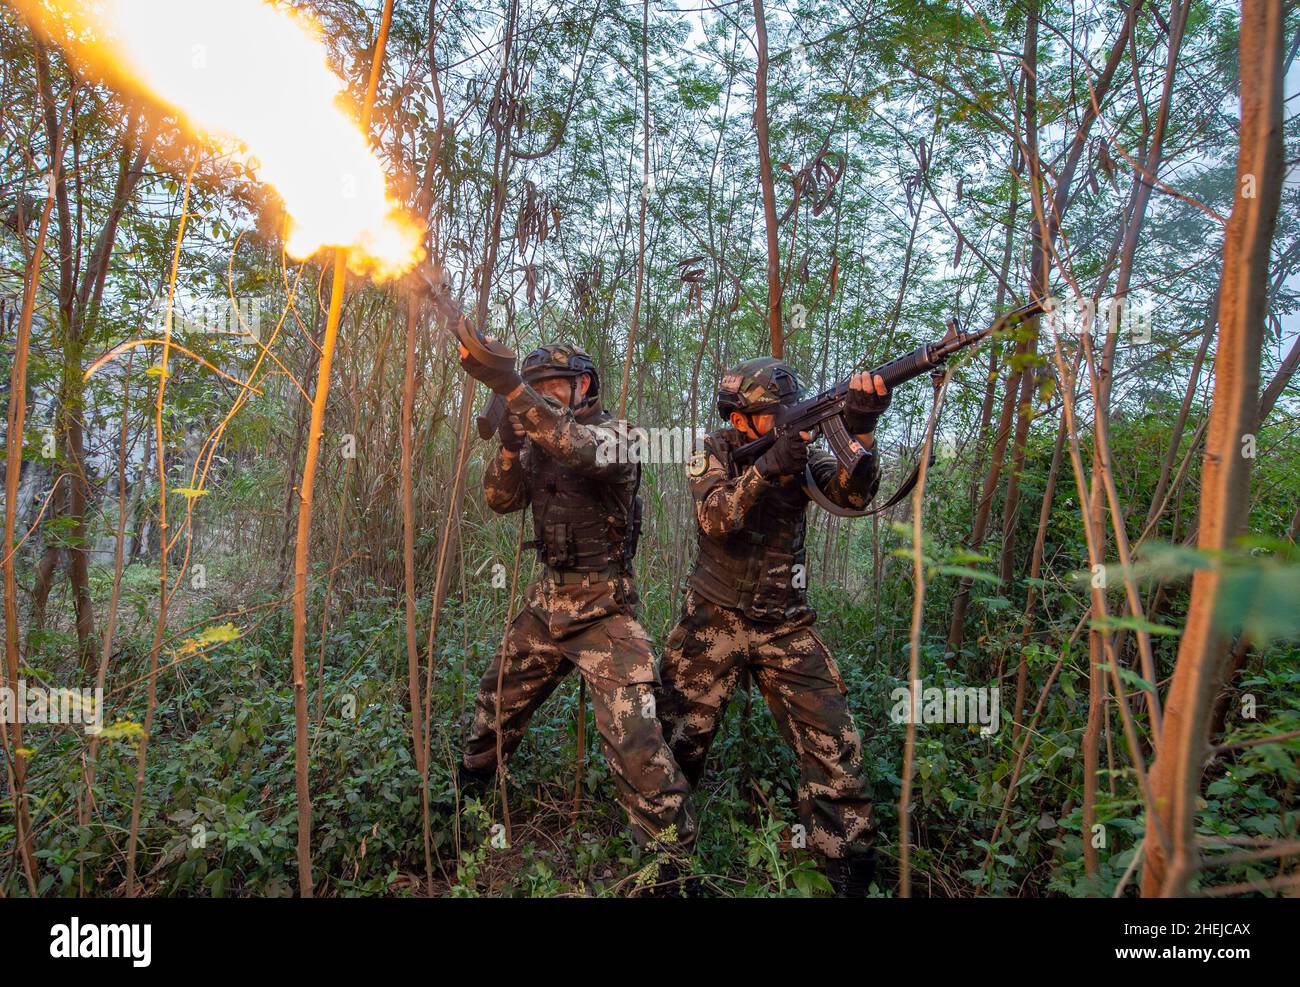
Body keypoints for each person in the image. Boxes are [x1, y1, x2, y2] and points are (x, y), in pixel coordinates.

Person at [656, 357, 890, 895]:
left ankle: (846, 873)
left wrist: (863, 433)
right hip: (710, 619)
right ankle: (663, 871)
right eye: (772, 413)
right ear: (741, 421)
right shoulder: (712, 449)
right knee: (674, 747)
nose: (786, 420)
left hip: (784, 624)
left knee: (835, 747)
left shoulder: (803, 453)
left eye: (789, 411)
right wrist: (764, 471)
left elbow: (852, 496)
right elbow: (715, 519)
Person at [457, 340, 696, 860]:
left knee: (638, 744)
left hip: (603, 610)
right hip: (546, 606)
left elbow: (578, 448)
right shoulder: (538, 439)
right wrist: (505, 446)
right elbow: (501, 501)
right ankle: (463, 809)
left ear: (583, 385)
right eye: (534, 386)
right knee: (492, 710)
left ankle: (668, 866)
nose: (540, 397)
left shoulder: (619, 436)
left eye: (550, 388)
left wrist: (514, 391)